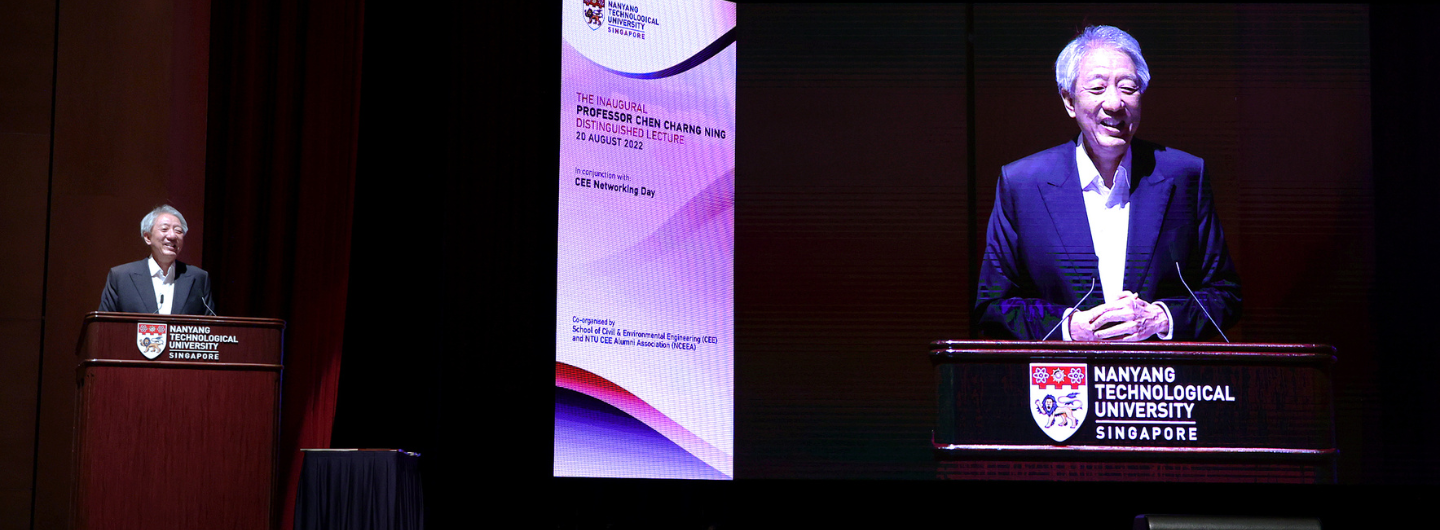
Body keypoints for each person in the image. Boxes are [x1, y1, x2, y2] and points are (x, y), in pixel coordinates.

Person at [975, 25, 1240, 341]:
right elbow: (992, 306)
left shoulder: (1184, 176)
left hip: (1158, 382)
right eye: (1098, 88)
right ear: (1070, 101)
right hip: (1063, 383)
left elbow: (1225, 295)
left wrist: (1160, 319)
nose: (1115, 103)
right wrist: (1067, 328)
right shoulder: (1022, 184)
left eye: (1128, 87)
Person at [98, 205, 214, 315]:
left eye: (178, 231)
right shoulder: (121, 277)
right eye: (164, 229)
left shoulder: (198, 278)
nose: (172, 236)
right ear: (148, 237)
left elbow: (211, 328)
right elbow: (104, 326)